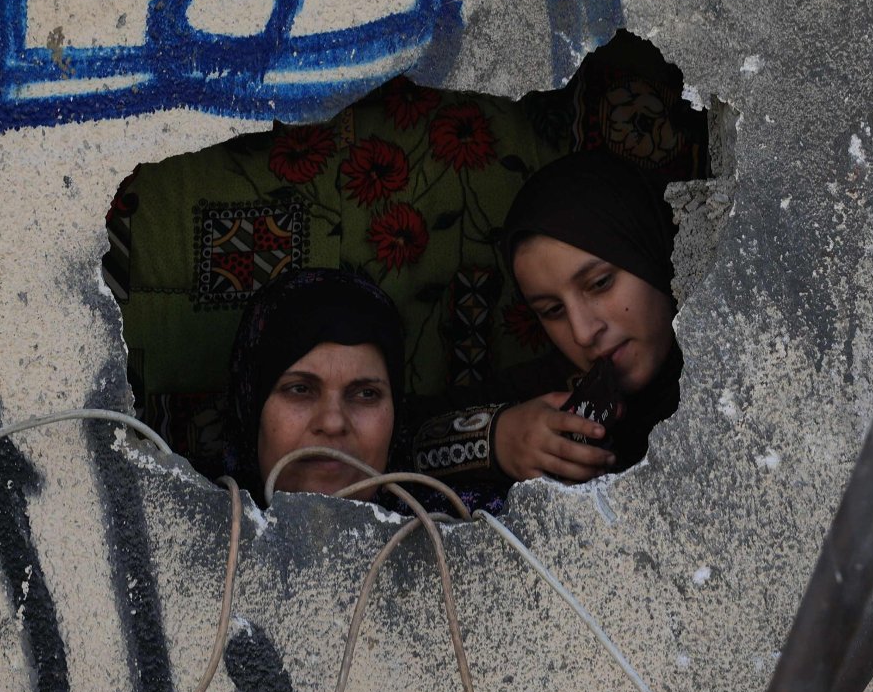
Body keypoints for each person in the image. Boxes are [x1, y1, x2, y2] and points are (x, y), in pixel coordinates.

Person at [411, 150, 681, 500]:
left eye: (600, 283)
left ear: (652, 250)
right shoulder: (555, 399)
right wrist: (497, 438)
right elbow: (390, 442)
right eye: (553, 310)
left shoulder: (747, 363)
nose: (583, 333)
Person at [223, 267, 406, 503]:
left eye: (366, 393)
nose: (332, 423)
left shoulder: (446, 527)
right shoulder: (178, 520)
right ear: (249, 407)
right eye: (300, 389)